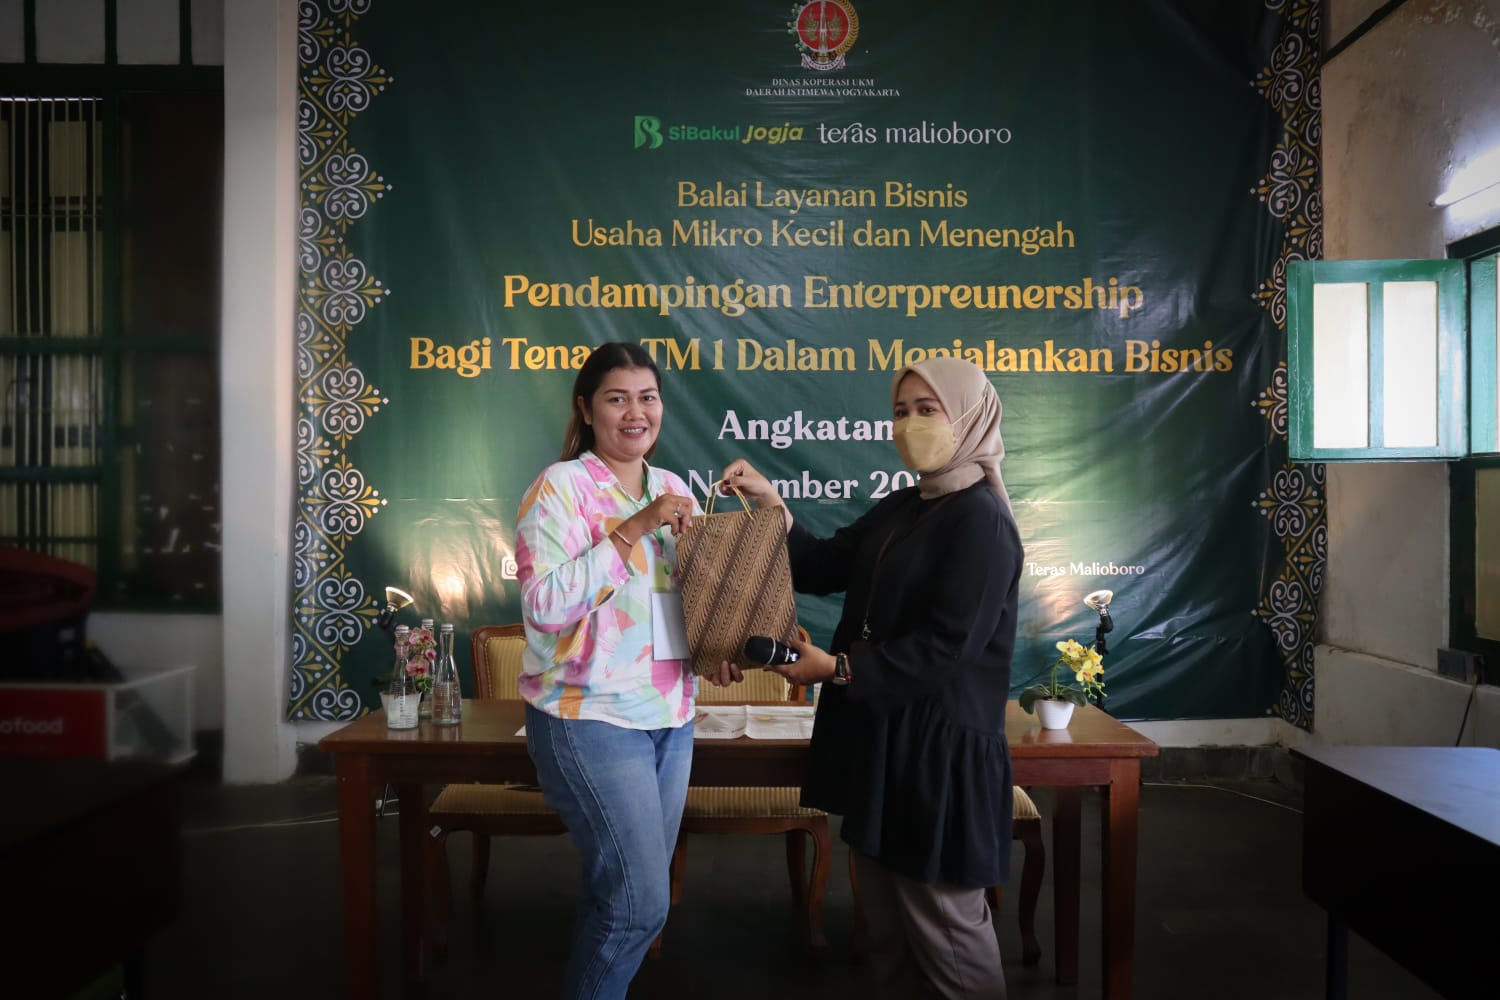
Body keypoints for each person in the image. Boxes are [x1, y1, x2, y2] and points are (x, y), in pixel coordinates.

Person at [716, 356, 1022, 999]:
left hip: (939, 753)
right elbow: (826, 564)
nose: (911, 424)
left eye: (928, 410)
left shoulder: (982, 521)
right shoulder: (906, 505)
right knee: (884, 929)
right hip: (884, 741)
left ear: (970, 416)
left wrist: (840, 669)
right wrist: (775, 507)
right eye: (901, 411)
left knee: (946, 929)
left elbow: (949, 647)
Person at [514, 341, 700, 999]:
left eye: (647, 397)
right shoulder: (560, 486)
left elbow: (674, 601)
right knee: (638, 904)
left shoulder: (674, 487)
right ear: (586, 409)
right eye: (617, 398)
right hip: (588, 716)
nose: (635, 412)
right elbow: (543, 608)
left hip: (670, 719)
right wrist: (631, 529)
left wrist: (703, 654)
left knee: (623, 894)